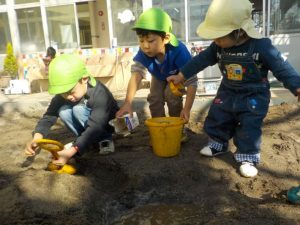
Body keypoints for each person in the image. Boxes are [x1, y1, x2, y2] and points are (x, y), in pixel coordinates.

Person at [167, 0, 300, 177]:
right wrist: (181, 76)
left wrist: (297, 87)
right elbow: (200, 60)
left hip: (254, 95)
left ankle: (248, 156)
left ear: (239, 32)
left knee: (249, 125)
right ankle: (217, 144)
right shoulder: (218, 47)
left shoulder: (261, 46)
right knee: (218, 116)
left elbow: (281, 68)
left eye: (220, 36)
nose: (216, 40)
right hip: (227, 91)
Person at [24, 54, 119, 165]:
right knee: (63, 111)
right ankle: (83, 142)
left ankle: (104, 140)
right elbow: (49, 115)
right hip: (90, 128)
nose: (67, 96)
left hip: (106, 126)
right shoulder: (66, 93)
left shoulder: (100, 94)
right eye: (63, 93)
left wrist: (70, 153)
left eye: (70, 92)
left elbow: (96, 126)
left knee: (78, 110)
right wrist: (37, 138)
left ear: (84, 79)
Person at [115, 8, 198, 134]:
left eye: (150, 41)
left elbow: (192, 81)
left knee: (171, 96)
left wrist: (187, 109)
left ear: (165, 38)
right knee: (155, 98)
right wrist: (127, 103)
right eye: (141, 40)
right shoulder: (144, 52)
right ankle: (159, 129)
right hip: (158, 76)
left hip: (177, 76)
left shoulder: (179, 51)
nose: (145, 46)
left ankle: (178, 130)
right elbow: (136, 75)